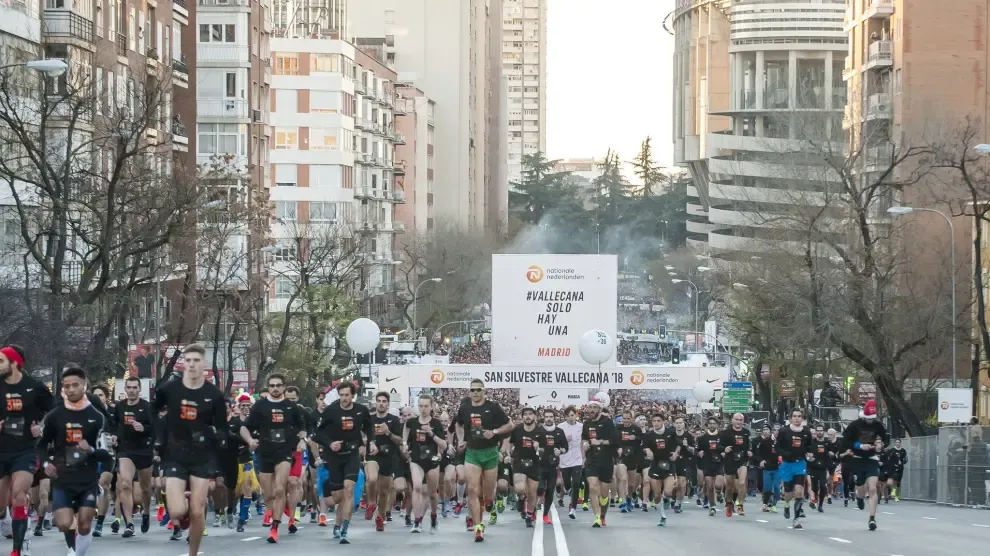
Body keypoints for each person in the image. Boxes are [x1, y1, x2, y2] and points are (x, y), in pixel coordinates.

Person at [152, 344, 227, 555]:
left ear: (204, 364)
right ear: (183, 363)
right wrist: (160, 434)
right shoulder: (169, 388)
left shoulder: (213, 395)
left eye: (196, 360)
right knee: (177, 511)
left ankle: (193, 553)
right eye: (188, 360)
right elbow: (153, 410)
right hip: (175, 454)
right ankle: (182, 506)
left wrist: (216, 436)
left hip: (202, 457)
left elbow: (222, 427)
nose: (192, 364)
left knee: (197, 510)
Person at [38, 364, 113, 556]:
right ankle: (73, 548)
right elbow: (40, 445)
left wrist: (92, 449)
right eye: (66, 386)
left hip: (87, 478)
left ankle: (76, 552)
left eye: (75, 385)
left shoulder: (96, 417)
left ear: (84, 386)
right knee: (64, 523)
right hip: (63, 476)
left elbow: (106, 453)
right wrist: (46, 463)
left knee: (85, 524)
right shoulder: (55, 415)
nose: (70, 389)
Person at [240, 373, 307, 543]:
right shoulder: (260, 406)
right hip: (264, 452)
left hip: (284, 452)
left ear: (284, 387)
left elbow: (302, 427)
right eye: (272, 385)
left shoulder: (291, 407)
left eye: (278, 385)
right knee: (269, 495)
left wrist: (302, 440)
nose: (275, 388)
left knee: (279, 489)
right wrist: (250, 441)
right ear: (268, 387)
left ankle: (275, 528)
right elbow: (244, 428)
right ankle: (277, 509)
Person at [0, 345, 53, 556]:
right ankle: (7, 518)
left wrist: (40, 426)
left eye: (1, 361)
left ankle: (18, 547)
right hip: (1, 449)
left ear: (14, 363)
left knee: (19, 493)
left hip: (25, 450)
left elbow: (54, 409)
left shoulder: (35, 386)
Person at [314, 381, 376, 544]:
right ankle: (337, 521)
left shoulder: (360, 410)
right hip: (334, 456)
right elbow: (318, 434)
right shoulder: (331, 411)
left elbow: (369, 428)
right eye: (341, 395)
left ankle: (344, 530)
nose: (344, 398)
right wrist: (330, 443)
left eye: (347, 395)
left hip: (352, 455)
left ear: (353, 395)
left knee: (349, 490)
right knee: (337, 498)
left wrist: (371, 443)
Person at [454, 379, 513, 542]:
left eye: (478, 389)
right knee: (472, 490)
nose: (475, 392)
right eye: (472, 390)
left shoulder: (492, 408)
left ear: (484, 390)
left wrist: (493, 432)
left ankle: (489, 503)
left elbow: (510, 425)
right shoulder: (465, 408)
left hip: (490, 453)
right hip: (472, 453)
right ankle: (478, 527)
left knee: (487, 495)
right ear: (469, 391)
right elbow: (457, 425)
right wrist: (460, 439)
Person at [113, 376, 155, 537]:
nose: (131, 390)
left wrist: (143, 428)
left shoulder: (147, 407)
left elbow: (155, 428)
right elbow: (115, 424)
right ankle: (129, 523)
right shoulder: (120, 406)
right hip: (125, 450)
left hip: (144, 450)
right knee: (125, 483)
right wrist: (115, 436)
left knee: (145, 489)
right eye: (129, 387)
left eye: (134, 387)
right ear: (125, 389)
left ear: (139, 389)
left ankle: (145, 513)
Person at [840, 399, 889, 531]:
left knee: (873, 488)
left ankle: (872, 519)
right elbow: (845, 441)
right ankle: (859, 497)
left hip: (871, 459)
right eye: (867, 419)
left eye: (872, 419)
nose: (870, 421)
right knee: (861, 488)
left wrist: (881, 444)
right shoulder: (855, 425)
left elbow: (886, 438)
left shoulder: (878, 425)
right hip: (857, 458)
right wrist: (860, 445)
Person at [403, 394, 446, 533]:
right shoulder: (413, 422)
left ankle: (433, 518)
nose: (423, 409)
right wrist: (404, 443)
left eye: (426, 406)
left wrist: (431, 434)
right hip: (416, 460)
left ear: (432, 406)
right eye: (420, 406)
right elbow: (406, 428)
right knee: (416, 487)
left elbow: (444, 445)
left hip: (432, 461)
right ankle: (417, 522)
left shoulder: (436, 424)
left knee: (432, 494)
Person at [365, 391, 402, 531]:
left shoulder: (394, 419)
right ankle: (371, 503)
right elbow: (362, 434)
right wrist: (366, 443)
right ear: (376, 402)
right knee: (372, 479)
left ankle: (380, 516)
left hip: (387, 456)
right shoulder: (370, 418)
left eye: (384, 401)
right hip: (373, 455)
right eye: (379, 401)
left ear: (388, 404)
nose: (381, 404)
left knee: (384, 491)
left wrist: (388, 432)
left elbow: (399, 440)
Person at [581, 394, 618, 528]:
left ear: (599, 409)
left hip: (606, 460)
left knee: (603, 494)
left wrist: (601, 441)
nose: (591, 410)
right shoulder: (586, 424)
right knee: (592, 485)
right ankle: (596, 517)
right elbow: (584, 438)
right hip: (592, 460)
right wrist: (585, 444)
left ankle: (602, 516)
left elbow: (615, 441)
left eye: (594, 407)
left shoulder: (607, 422)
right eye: (589, 407)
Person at [776, 409, 812, 528]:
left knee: (798, 491)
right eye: (795, 416)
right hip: (787, 464)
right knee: (788, 494)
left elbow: (809, 446)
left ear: (802, 418)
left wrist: (809, 454)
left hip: (800, 464)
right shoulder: (784, 431)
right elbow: (777, 448)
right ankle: (786, 505)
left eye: (799, 416)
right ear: (790, 418)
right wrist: (785, 454)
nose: (797, 418)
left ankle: (796, 519)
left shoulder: (806, 432)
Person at [719, 412, 752, 517]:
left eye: (740, 420)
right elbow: (719, 446)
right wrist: (724, 449)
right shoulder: (725, 433)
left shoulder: (746, 432)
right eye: (736, 419)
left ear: (743, 421)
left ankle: (740, 504)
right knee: (730, 486)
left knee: (742, 483)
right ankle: (729, 502)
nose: (738, 422)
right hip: (730, 459)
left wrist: (749, 452)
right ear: (732, 420)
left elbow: (748, 446)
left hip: (742, 460)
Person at [556, 406, 583, 519]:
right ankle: (569, 489)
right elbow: (557, 442)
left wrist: (584, 455)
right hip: (565, 459)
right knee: (567, 484)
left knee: (576, 482)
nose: (571, 418)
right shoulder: (560, 427)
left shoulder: (581, 426)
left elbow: (584, 441)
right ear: (565, 417)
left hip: (577, 458)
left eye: (573, 415)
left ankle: (573, 508)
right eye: (569, 416)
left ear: (576, 415)